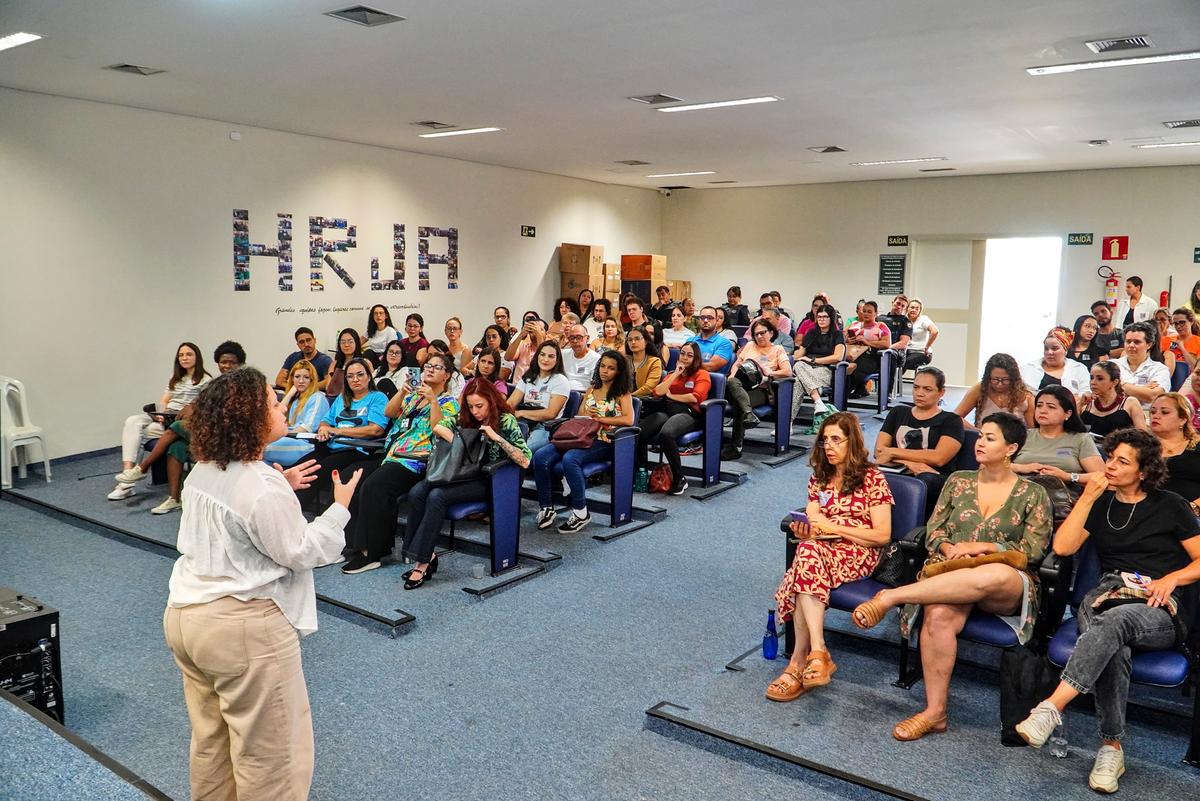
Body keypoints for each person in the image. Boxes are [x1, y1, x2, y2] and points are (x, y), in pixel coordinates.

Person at [164, 367, 362, 801]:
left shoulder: (203, 469)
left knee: (212, 745)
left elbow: (241, 519)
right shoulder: (260, 485)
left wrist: (282, 485)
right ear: (249, 418)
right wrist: (340, 509)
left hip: (186, 618)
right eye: (273, 403)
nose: (282, 404)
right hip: (242, 631)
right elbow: (301, 550)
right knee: (272, 761)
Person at [1015, 428, 1200, 794]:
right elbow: (1064, 548)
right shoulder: (1100, 502)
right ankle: (1111, 748)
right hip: (1108, 593)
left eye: (1122, 461)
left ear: (1144, 471)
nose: (1110, 465)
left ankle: (1051, 708)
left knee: (1113, 623)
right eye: (1110, 457)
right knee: (1113, 637)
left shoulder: (1171, 505)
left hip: (1158, 602)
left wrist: (1172, 578)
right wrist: (1087, 498)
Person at [853, 412, 1053, 741]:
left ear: (1011, 448)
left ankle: (891, 597)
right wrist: (947, 549)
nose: (980, 442)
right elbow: (934, 531)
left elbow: (1033, 550)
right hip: (951, 571)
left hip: (1003, 584)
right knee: (938, 615)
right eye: (981, 436)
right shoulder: (957, 480)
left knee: (996, 574)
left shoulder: (1033, 494)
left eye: (991, 438)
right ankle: (935, 712)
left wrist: (983, 546)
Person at [766, 412, 894, 702]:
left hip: (861, 552)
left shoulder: (872, 478)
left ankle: (801, 661)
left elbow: (882, 535)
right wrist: (808, 529)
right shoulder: (819, 477)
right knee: (807, 551)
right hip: (823, 550)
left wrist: (834, 527)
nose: (829, 446)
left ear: (852, 442)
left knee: (803, 563)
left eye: (837, 439)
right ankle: (817, 653)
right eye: (825, 440)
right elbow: (813, 515)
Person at [342, 353, 459, 574]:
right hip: (392, 454)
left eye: (436, 367)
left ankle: (373, 552)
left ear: (447, 375)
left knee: (375, 486)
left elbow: (439, 428)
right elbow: (390, 412)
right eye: (427, 366)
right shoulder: (413, 396)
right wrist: (403, 391)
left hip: (417, 460)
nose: (430, 369)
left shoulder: (449, 402)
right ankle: (352, 545)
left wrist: (433, 400)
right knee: (353, 477)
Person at [532, 350, 635, 533]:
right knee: (541, 456)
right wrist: (588, 417)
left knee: (570, 458)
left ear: (618, 372)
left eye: (611, 368)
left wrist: (601, 420)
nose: (605, 371)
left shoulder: (622, 393)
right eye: (603, 366)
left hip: (604, 441)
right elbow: (580, 416)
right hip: (580, 437)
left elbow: (628, 420)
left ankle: (581, 513)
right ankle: (546, 507)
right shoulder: (591, 390)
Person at [110, 342, 212, 501]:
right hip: (165, 417)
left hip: (183, 421)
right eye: (181, 355)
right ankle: (127, 476)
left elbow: (203, 407)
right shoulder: (176, 379)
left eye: (189, 354)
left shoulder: (205, 380)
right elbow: (164, 400)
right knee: (133, 422)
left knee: (142, 435)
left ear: (197, 357)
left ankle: (128, 482)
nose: (184, 358)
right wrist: (160, 413)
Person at [295, 358, 388, 509]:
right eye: (350, 376)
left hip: (355, 449)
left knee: (314, 473)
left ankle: (295, 516)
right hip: (331, 446)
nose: (355, 379)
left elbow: (375, 429)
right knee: (299, 468)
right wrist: (324, 429)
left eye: (360, 375)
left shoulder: (377, 397)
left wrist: (338, 430)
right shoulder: (342, 397)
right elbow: (325, 421)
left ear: (369, 376)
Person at [874, 366, 964, 511]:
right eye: (916, 387)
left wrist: (892, 453)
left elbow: (939, 458)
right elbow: (879, 452)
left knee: (925, 479)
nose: (919, 393)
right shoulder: (898, 412)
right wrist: (909, 464)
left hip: (935, 476)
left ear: (941, 392)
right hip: (899, 469)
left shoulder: (951, 420)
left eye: (927, 389)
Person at [635, 342, 710, 495]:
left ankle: (679, 478)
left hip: (689, 413)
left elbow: (696, 397)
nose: (685, 357)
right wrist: (676, 373)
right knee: (640, 432)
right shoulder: (671, 374)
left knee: (666, 434)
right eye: (682, 353)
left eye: (690, 355)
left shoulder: (702, 374)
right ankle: (641, 472)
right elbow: (658, 392)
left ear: (696, 358)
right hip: (667, 410)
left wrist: (671, 396)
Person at [722, 318, 792, 460]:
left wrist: (770, 373)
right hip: (738, 385)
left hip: (760, 389)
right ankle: (748, 416)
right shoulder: (749, 345)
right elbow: (737, 364)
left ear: (771, 333)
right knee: (734, 385)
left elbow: (788, 371)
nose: (759, 336)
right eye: (756, 334)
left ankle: (736, 446)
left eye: (763, 333)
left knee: (739, 403)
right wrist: (732, 377)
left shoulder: (777, 349)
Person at [1011, 385, 1105, 487]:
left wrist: (1068, 476)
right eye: (1039, 405)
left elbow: (1101, 476)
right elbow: (995, 466)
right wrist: (1021, 468)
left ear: (1067, 414)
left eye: (1051, 407)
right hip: (1019, 494)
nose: (1043, 410)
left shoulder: (1080, 439)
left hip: (1062, 498)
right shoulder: (1022, 435)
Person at [263, 359, 331, 468]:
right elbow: (278, 414)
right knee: (261, 462)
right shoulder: (295, 400)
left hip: (307, 443)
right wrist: (290, 393)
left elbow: (307, 427)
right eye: (297, 377)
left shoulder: (318, 397)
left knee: (261, 449)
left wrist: (280, 436)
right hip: (290, 439)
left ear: (312, 380)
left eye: (306, 377)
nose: (301, 381)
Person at [508, 341, 570, 452]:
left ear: (557, 360)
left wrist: (520, 413)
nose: (545, 359)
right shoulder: (529, 376)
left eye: (551, 356)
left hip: (545, 426)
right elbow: (511, 403)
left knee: (523, 450)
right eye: (542, 354)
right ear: (537, 356)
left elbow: (551, 413)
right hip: (523, 421)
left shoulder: (560, 380)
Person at [791, 303, 845, 429]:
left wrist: (814, 361)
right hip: (807, 369)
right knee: (798, 368)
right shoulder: (811, 333)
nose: (821, 319)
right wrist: (788, 355)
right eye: (819, 316)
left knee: (798, 380)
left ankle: (787, 425)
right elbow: (800, 354)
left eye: (825, 317)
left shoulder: (837, 335)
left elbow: (837, 357)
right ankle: (818, 401)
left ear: (831, 318)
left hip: (826, 370)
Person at [954, 353, 1035, 429]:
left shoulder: (1025, 395)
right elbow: (955, 417)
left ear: (1014, 379)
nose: (1000, 384)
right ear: (988, 377)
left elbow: (1032, 431)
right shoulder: (980, 389)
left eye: (1005, 380)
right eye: (995, 379)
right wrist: (977, 431)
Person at [1148, 393, 1200, 509]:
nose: (1155, 416)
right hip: (1151, 513)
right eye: (1152, 412)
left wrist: (1196, 507)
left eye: (1165, 412)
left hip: (1193, 514)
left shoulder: (1198, 446)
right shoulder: (1140, 446)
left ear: (1183, 419)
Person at [1113, 321, 1171, 410]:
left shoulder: (1160, 369)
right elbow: (1102, 391)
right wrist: (1142, 389)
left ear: (1149, 344)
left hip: (1146, 415)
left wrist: (1120, 385)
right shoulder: (1113, 365)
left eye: (1137, 342)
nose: (1131, 345)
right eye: (1128, 341)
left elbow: (1152, 396)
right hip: (1115, 413)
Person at [1080, 362, 1146, 436]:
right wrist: (1079, 405)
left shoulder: (1130, 402)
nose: (1093, 382)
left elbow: (1143, 437)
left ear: (1114, 382)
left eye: (1100, 378)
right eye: (1091, 378)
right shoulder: (1085, 403)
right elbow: (1070, 432)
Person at [1020, 328, 1090, 396]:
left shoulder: (1079, 369)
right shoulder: (1029, 368)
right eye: (1046, 348)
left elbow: (1085, 394)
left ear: (1065, 350)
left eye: (1054, 348)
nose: (1049, 352)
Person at [845, 301, 891, 397]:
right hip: (852, 353)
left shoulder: (881, 326)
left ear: (876, 313)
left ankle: (846, 391)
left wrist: (867, 341)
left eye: (869, 312)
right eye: (864, 311)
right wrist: (848, 340)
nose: (866, 314)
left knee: (856, 366)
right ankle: (842, 391)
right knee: (841, 364)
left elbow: (887, 344)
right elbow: (842, 337)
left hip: (872, 357)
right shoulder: (855, 324)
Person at [688, 306, 735, 378]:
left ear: (717, 320)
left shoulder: (724, 343)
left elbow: (710, 367)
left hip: (710, 382)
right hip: (687, 378)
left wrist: (689, 363)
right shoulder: (690, 340)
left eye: (710, 318)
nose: (706, 320)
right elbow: (680, 362)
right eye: (702, 317)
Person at [504, 314, 547, 384]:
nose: (535, 330)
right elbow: (508, 357)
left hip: (535, 389)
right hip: (516, 387)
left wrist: (538, 336)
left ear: (546, 334)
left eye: (540, 329)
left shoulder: (549, 349)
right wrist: (521, 335)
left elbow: (543, 359)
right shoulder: (522, 345)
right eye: (533, 328)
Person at [324, 327, 363, 399]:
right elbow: (328, 387)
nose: (346, 345)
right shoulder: (334, 364)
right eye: (343, 342)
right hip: (334, 400)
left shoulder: (365, 363)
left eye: (350, 342)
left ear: (356, 343)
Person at [625, 326, 664, 398]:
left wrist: (628, 398)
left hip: (644, 402)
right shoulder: (624, 360)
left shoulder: (654, 361)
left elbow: (648, 388)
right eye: (630, 340)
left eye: (637, 339)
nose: (633, 342)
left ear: (646, 341)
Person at [561, 324, 602, 391]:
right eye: (571, 338)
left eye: (579, 337)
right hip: (562, 392)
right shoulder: (564, 354)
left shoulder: (596, 359)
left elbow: (594, 386)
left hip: (583, 394)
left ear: (587, 338)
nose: (575, 341)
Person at [904, 298, 938, 371]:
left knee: (905, 361)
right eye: (912, 307)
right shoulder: (904, 319)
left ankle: (895, 381)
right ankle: (892, 380)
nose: (914, 310)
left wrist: (927, 347)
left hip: (921, 352)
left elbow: (934, 332)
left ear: (920, 311)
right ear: (907, 308)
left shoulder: (923, 319)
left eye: (917, 309)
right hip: (907, 351)